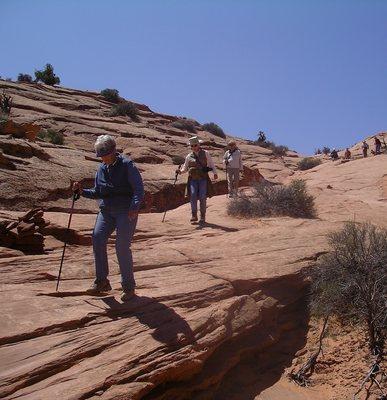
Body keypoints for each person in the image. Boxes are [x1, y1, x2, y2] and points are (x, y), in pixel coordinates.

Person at [72, 135, 144, 302]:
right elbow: (97, 192)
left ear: (113, 151)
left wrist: (134, 208)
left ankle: (128, 287)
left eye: (105, 154)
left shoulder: (127, 165)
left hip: (125, 211)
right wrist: (81, 192)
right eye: (100, 155)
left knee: (121, 246)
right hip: (106, 211)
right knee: (97, 238)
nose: (103, 158)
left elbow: (138, 189)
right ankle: (102, 281)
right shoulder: (101, 169)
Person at [177, 136, 218, 224]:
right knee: (192, 195)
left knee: (203, 196)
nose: (193, 147)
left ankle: (202, 216)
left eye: (195, 145)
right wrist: (180, 172)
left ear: (198, 145)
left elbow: (211, 163)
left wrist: (215, 173)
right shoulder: (189, 156)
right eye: (192, 146)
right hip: (193, 179)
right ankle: (194, 215)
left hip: (203, 178)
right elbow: (185, 168)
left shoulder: (205, 153)